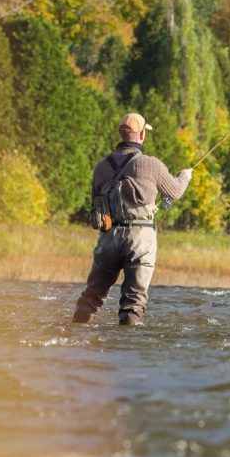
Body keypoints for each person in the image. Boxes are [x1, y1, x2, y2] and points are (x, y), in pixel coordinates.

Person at [72, 113, 192, 325]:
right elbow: (174, 192)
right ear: (142, 134)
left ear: (121, 133)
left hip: (108, 239)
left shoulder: (101, 167)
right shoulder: (151, 164)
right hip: (140, 240)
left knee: (91, 297)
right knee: (133, 302)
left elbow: (95, 205)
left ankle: (76, 332)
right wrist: (185, 176)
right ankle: (129, 348)